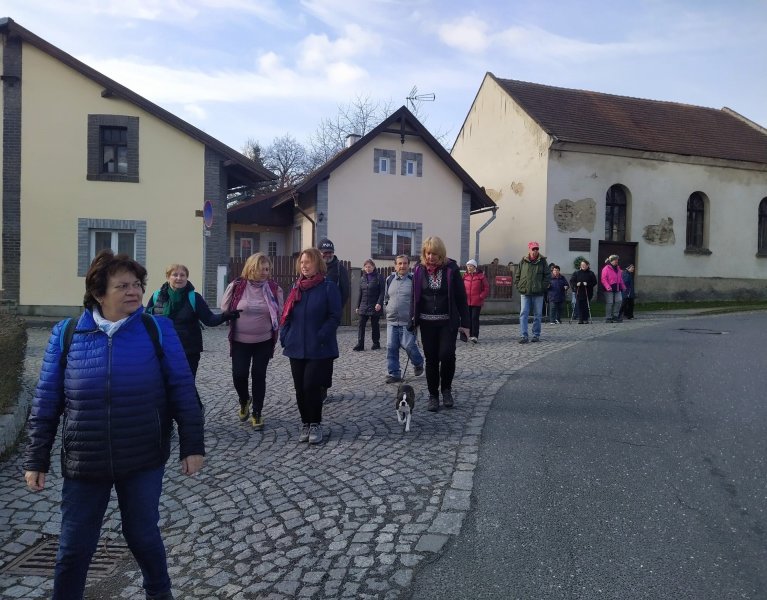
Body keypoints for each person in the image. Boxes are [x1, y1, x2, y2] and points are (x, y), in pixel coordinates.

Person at [23, 249, 204, 600]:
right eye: (123, 285)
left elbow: (183, 388)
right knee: (74, 547)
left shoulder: (158, 329)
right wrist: (36, 458)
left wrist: (192, 445)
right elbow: (46, 400)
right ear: (98, 292)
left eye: (137, 284)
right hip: (85, 460)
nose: (134, 291)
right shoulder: (67, 333)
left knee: (143, 536)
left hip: (141, 456)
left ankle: (159, 593)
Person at [280, 248, 341, 445]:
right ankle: (305, 423)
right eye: (302, 262)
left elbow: (334, 316)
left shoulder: (328, 286)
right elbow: (287, 314)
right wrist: (285, 335)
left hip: (318, 347)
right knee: (299, 388)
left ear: (318, 264)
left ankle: (316, 423)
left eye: (308, 262)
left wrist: (322, 334)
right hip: (296, 345)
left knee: (310, 386)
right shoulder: (296, 286)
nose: (304, 266)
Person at [221, 253, 284, 429]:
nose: (265, 272)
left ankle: (257, 413)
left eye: (267, 269)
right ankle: (244, 399)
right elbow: (224, 308)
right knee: (239, 375)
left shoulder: (273, 288)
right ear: (251, 267)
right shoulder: (237, 286)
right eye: (261, 268)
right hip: (241, 340)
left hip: (263, 340)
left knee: (258, 375)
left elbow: (279, 312)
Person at [147, 263, 240, 378]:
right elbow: (148, 321)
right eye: (175, 275)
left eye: (182, 275)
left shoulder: (194, 297)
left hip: (188, 350)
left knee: (187, 384)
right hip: (164, 349)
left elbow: (209, 319)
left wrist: (226, 315)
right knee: (163, 384)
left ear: (187, 277)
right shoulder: (157, 296)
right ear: (168, 277)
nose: (179, 278)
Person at [411, 236, 470, 412]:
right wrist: (412, 319)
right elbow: (414, 297)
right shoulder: (418, 270)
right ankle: (433, 395)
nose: (430, 257)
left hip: (447, 322)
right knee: (431, 359)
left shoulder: (451, 269)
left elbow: (461, 297)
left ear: (441, 253)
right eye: (428, 253)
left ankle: (446, 390)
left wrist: (466, 323)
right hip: (427, 322)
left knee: (447, 355)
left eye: (434, 253)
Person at [383, 254, 424, 384]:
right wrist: (387, 308)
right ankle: (394, 373)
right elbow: (386, 297)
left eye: (405, 263)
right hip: (392, 321)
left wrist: (415, 317)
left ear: (409, 265)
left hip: (408, 321)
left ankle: (418, 363)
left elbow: (418, 300)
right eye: (399, 263)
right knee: (391, 347)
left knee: (409, 345)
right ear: (395, 265)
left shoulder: (413, 280)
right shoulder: (389, 279)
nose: (402, 266)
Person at [318, 238, 349, 400]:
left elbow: (345, 292)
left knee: (327, 354)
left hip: (330, 318)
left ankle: (324, 386)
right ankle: (314, 385)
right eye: (324, 252)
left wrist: (335, 312)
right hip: (314, 318)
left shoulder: (339, 269)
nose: (327, 255)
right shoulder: (314, 268)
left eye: (329, 252)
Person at [514, 241, 550, 343]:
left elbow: (547, 276)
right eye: (533, 249)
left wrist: (542, 287)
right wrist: (518, 285)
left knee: (538, 315)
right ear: (529, 249)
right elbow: (517, 275)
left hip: (538, 293)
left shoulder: (543, 261)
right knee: (523, 314)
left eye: (537, 249)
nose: (535, 251)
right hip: (525, 292)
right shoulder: (523, 261)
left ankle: (536, 335)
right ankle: (524, 336)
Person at [353, 258, 385, 351]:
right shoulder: (362, 278)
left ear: (373, 267)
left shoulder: (379, 277)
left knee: (375, 325)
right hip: (363, 305)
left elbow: (382, 292)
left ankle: (376, 343)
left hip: (375, 305)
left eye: (369, 267)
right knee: (361, 324)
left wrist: (379, 303)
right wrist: (357, 306)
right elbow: (360, 293)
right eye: (366, 267)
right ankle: (360, 344)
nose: (367, 269)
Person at [463, 259, 490, 342]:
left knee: (474, 318)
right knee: (468, 319)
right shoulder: (465, 276)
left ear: (475, 267)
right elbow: (461, 288)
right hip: (467, 301)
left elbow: (486, 288)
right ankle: (469, 335)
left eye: (471, 266)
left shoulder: (481, 276)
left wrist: (481, 296)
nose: (469, 267)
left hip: (477, 301)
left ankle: (475, 335)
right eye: (468, 266)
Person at [569, 259, 597, 324]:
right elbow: (572, 281)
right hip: (579, 292)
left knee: (586, 306)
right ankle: (580, 319)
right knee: (579, 305)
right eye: (582, 265)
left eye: (584, 265)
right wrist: (576, 284)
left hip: (588, 292)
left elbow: (594, 282)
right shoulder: (576, 273)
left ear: (587, 265)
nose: (583, 266)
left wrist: (587, 284)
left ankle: (585, 319)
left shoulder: (591, 273)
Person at [601, 254, 626, 323]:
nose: (616, 261)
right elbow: (603, 279)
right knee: (610, 303)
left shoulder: (618, 269)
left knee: (619, 301)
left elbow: (620, 279)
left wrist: (623, 286)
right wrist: (608, 286)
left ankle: (615, 316)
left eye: (617, 260)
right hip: (609, 288)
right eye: (615, 260)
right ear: (611, 261)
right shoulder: (606, 268)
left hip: (617, 287)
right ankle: (608, 317)